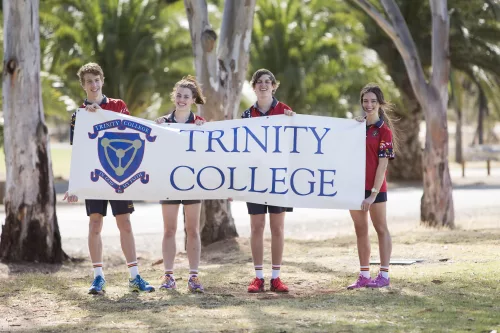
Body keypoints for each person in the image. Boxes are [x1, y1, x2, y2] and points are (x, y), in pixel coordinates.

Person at [63, 63, 155, 294]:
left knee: (124, 222)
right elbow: (78, 152)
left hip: (119, 175)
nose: (93, 85)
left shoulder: (118, 106)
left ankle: (134, 276)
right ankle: (98, 278)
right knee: (95, 223)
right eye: (89, 82)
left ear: (102, 80)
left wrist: (103, 116)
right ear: (83, 86)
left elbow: (129, 133)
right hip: (95, 178)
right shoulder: (78, 116)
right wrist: (74, 186)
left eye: (97, 80)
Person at [242, 69, 295, 293]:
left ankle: (276, 277)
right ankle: (258, 277)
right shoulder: (246, 115)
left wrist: (295, 123)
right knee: (256, 227)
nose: (263, 85)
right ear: (253, 87)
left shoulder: (286, 112)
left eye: (268, 82)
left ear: (274, 86)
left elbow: (297, 140)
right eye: (259, 82)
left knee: (277, 228)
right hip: (254, 178)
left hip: (278, 178)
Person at [154, 76, 206, 293]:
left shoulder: (200, 125)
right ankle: (168, 276)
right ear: (174, 97)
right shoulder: (163, 123)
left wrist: (204, 131)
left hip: (192, 181)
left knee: (192, 229)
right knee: (169, 229)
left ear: (193, 99)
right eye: (179, 95)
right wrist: (156, 128)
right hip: (169, 182)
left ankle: (194, 277)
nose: (182, 100)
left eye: (186, 96)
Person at [347, 83, 397, 289]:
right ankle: (364, 275)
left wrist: (373, 194)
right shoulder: (354, 128)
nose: (369, 105)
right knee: (360, 229)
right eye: (365, 101)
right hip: (354, 187)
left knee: (381, 228)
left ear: (380, 104)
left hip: (375, 189)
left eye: (373, 101)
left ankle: (384, 275)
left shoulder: (384, 131)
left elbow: (382, 165)